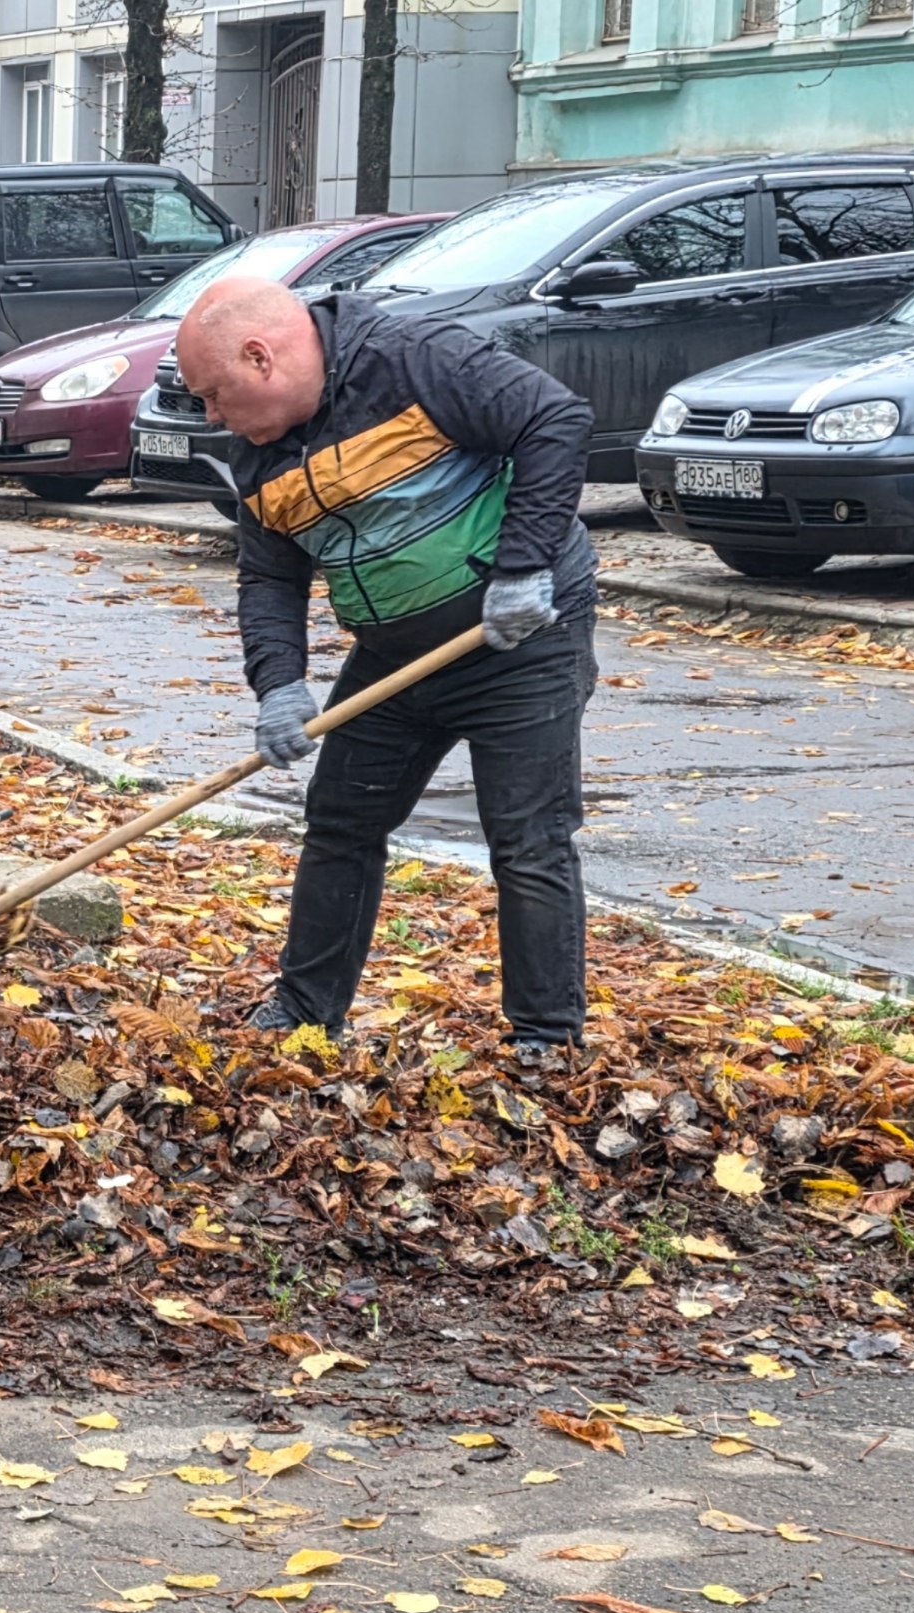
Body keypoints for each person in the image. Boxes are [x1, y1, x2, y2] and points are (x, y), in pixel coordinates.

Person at [172, 276, 597, 1060]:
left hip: (517, 640)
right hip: (394, 656)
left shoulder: (416, 360)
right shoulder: (259, 453)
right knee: (341, 820)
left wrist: (523, 566)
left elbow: (553, 419)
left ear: (260, 357)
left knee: (528, 838)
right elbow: (270, 575)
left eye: (213, 394)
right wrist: (279, 685)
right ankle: (305, 1012)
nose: (211, 415)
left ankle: (546, 1039)